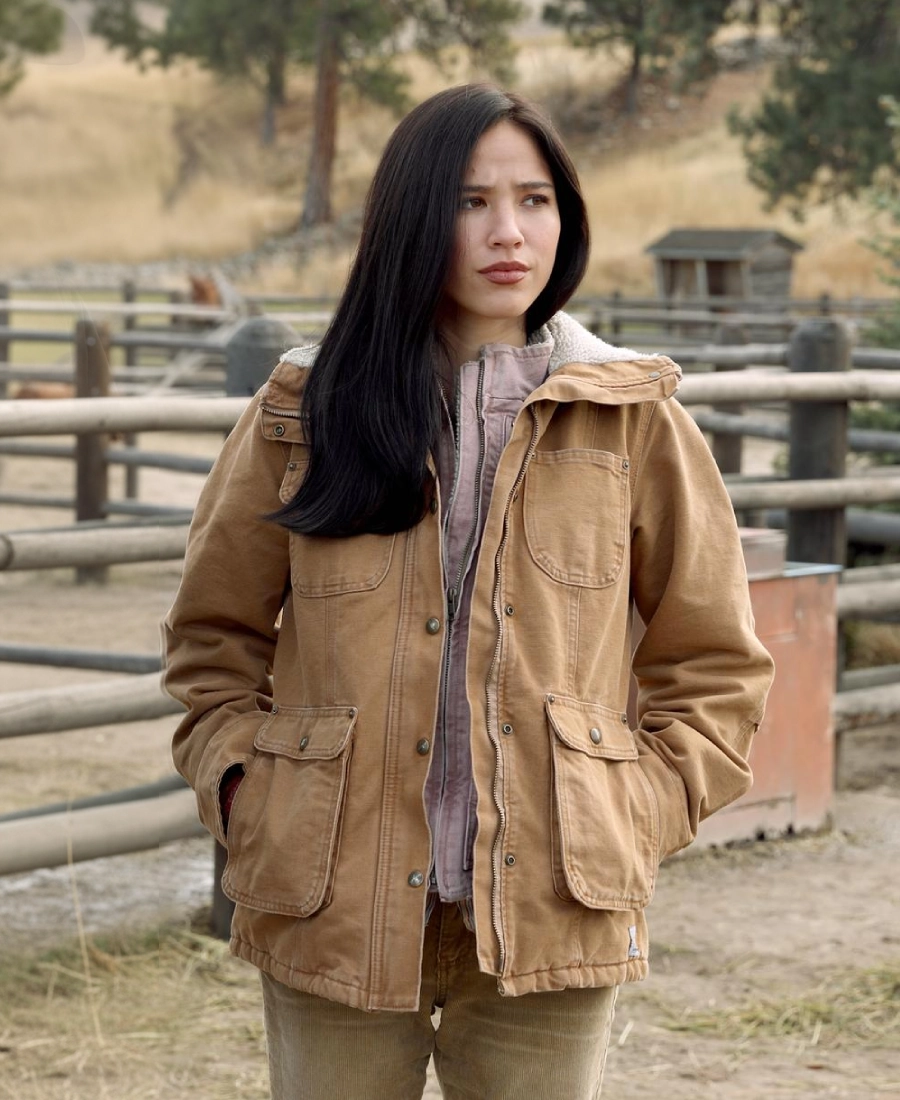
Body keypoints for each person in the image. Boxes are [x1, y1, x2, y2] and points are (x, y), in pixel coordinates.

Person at [163, 83, 775, 1100]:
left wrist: (639, 808)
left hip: (553, 904)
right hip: (333, 903)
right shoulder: (301, 411)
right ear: (412, 216)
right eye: (469, 201)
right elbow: (211, 640)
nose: (509, 232)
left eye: (535, 201)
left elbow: (714, 659)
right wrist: (247, 791)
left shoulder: (632, 418)